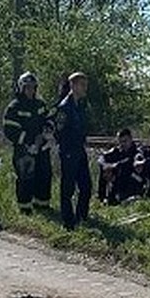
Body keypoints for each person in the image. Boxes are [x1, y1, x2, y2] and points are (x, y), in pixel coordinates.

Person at [2, 72, 55, 214]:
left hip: (42, 148)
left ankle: (42, 205)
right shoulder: (14, 107)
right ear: (21, 88)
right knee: (26, 178)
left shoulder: (40, 104)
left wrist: (47, 130)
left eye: (33, 87)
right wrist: (29, 141)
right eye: (27, 87)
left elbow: (48, 119)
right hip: (24, 150)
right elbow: (10, 130)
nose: (30, 90)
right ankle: (25, 208)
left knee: (44, 175)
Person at [55, 71, 92, 230]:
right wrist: (67, 149)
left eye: (86, 85)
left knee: (86, 186)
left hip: (79, 150)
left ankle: (81, 217)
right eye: (82, 85)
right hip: (69, 152)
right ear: (73, 85)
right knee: (68, 188)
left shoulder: (81, 105)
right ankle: (68, 222)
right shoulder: (65, 107)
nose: (85, 88)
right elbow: (59, 131)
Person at [97, 128, 145, 205]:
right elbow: (101, 158)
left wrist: (115, 166)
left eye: (125, 141)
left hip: (133, 180)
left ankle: (127, 196)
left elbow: (129, 162)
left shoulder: (137, 152)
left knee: (122, 169)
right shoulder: (117, 151)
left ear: (130, 139)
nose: (123, 144)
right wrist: (105, 166)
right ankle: (102, 197)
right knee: (105, 170)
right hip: (118, 181)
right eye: (120, 142)